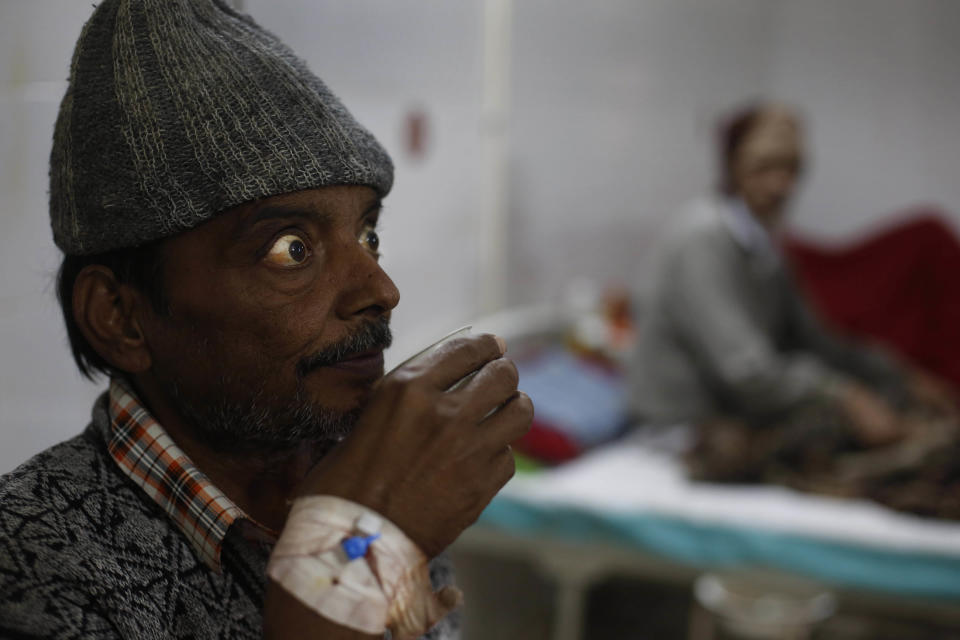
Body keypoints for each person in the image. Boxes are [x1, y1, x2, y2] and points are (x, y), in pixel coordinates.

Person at [0, 2, 533, 639]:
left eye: (368, 233)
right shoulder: (30, 563)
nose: (381, 290)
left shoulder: (368, 472)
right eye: (292, 249)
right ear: (120, 317)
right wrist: (345, 557)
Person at [628, 103, 957, 489]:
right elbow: (747, 372)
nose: (781, 184)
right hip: (688, 426)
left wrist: (901, 376)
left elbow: (818, 341)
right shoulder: (703, 240)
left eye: (791, 169)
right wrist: (845, 397)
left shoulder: (767, 247)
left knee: (909, 417)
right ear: (733, 165)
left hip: (738, 410)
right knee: (873, 458)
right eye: (765, 167)